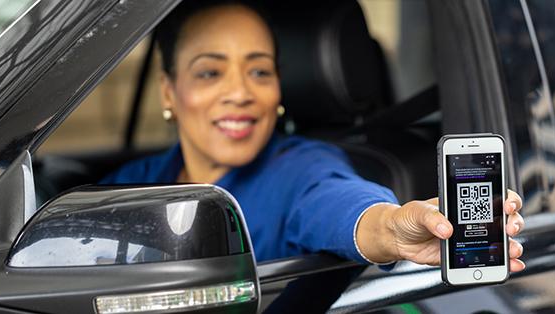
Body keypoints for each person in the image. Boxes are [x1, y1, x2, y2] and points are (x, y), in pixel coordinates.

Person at [102, 0, 525, 270]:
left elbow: (342, 204)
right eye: (210, 72)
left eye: (260, 72)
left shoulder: (300, 169)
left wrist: (393, 228)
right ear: (169, 91)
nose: (240, 93)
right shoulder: (136, 181)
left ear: (278, 89)